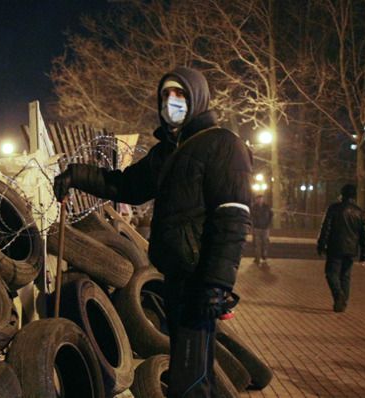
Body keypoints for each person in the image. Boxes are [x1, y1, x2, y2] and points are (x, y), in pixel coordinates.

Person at [53, 66, 252, 397]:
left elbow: (232, 220)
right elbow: (126, 185)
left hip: (200, 281)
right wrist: (77, 174)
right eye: (166, 95)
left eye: (180, 94)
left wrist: (217, 285)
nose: (171, 102)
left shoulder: (222, 144)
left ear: (198, 98)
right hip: (174, 278)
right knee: (195, 373)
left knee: (188, 380)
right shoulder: (168, 153)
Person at [317, 184, 365, 312]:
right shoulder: (359, 212)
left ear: (342, 194)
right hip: (351, 249)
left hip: (335, 247)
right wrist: (364, 254)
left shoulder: (334, 208)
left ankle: (339, 295)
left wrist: (321, 244)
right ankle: (342, 302)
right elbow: (364, 235)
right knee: (345, 276)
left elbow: (326, 228)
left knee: (331, 273)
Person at [251, 194, 273, 266]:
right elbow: (251, 216)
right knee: (257, 244)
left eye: (261, 199)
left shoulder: (267, 207)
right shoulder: (254, 207)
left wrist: (268, 224)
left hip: (265, 228)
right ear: (256, 200)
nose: (260, 200)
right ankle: (257, 258)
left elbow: (271, 215)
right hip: (257, 228)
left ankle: (264, 256)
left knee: (265, 243)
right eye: (258, 199)